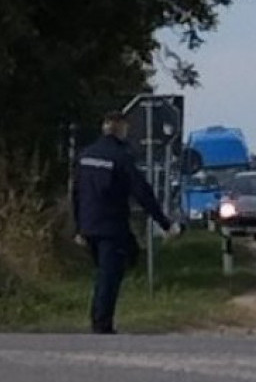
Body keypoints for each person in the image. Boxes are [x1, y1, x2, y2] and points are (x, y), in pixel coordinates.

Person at [72, 110, 181, 334]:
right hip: (111, 225)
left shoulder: (86, 155)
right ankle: (101, 324)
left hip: (89, 224)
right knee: (109, 274)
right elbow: (142, 192)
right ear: (121, 128)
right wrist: (165, 223)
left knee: (111, 266)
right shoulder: (120, 157)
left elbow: (75, 192)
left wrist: (78, 227)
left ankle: (99, 317)